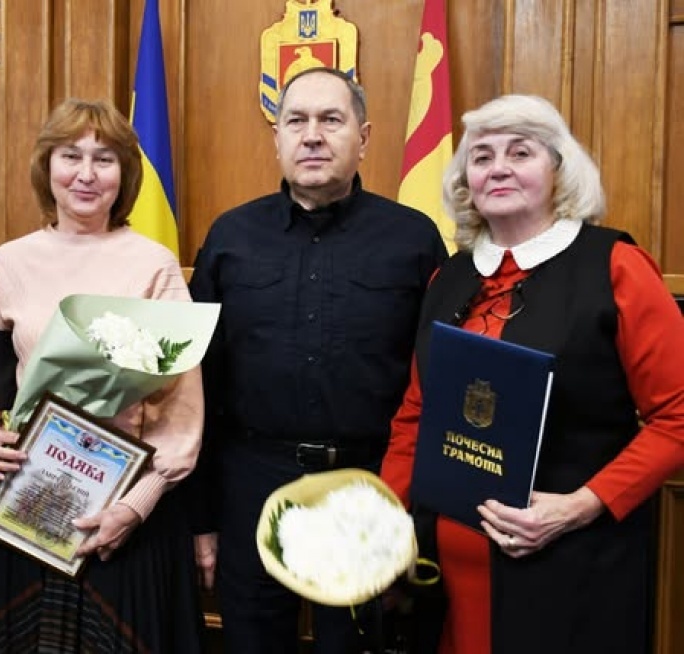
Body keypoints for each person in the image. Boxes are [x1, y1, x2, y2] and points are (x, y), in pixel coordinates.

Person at [379, 94, 684, 654]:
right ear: (466, 180)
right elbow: (416, 415)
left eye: (520, 152)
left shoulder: (615, 266)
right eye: (482, 156)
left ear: (559, 171)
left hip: (571, 564)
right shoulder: (448, 278)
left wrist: (579, 506)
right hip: (446, 576)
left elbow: (678, 417)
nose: (498, 167)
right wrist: (386, 519)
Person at [186, 67, 448, 654]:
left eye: (331, 120)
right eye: (296, 121)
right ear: (276, 137)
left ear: (364, 137)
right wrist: (202, 518)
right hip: (250, 483)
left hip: (368, 487)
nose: (312, 136)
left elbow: (436, 386)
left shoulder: (414, 239)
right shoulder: (231, 237)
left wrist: (415, 516)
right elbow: (198, 384)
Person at [0, 98, 206, 653]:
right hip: (25, 505)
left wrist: (135, 504)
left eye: (104, 159)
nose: (86, 173)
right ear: (46, 167)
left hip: (122, 517)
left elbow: (181, 410)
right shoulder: (9, 262)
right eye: (71, 155)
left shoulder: (153, 264)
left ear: (125, 174)